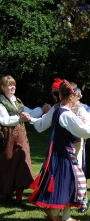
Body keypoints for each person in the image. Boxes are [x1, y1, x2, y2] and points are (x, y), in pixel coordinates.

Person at [28, 80, 90, 221]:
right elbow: (85, 131)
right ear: (71, 97)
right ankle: (53, 211)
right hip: (63, 154)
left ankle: (66, 216)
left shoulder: (60, 110)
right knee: (67, 181)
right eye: (77, 95)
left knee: (72, 181)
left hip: (63, 152)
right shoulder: (66, 114)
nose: (79, 97)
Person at [0, 75, 50, 207]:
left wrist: (42, 110)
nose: (12, 87)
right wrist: (19, 119)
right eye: (9, 85)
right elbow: (4, 120)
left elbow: (29, 113)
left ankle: (19, 198)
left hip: (21, 136)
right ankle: (8, 194)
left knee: (23, 162)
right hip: (7, 136)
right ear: (2, 87)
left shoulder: (18, 101)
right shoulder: (1, 102)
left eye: (13, 85)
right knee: (8, 163)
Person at [71, 87, 90, 213]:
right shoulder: (60, 108)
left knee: (80, 171)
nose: (80, 97)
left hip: (79, 144)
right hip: (63, 144)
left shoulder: (83, 108)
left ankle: (83, 199)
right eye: (78, 94)